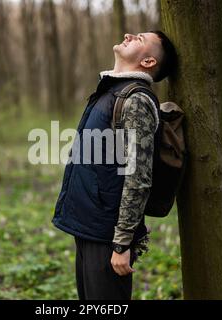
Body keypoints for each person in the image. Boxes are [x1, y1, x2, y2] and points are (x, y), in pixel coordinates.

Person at [52, 31, 177, 300]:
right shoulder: (110, 92)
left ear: (148, 62)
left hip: (108, 238)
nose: (128, 34)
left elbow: (138, 177)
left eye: (140, 39)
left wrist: (122, 243)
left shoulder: (136, 101)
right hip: (88, 227)